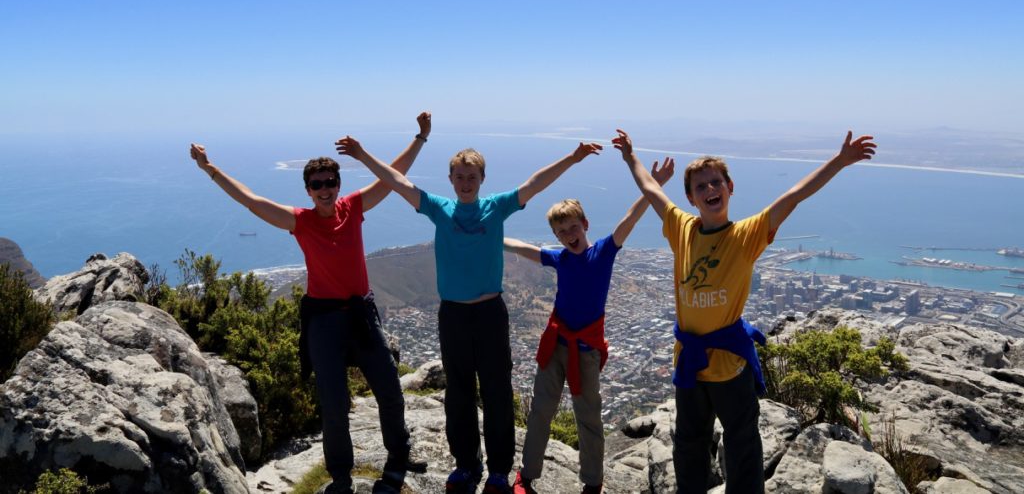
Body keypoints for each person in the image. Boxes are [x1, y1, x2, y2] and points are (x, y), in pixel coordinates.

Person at [335, 135, 603, 494]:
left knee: (496, 392)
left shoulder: (497, 207)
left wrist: (571, 158)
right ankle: (465, 465)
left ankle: (498, 471)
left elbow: (534, 184)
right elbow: (397, 182)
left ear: (481, 179)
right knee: (458, 392)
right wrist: (362, 154)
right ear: (450, 180)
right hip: (454, 316)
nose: (465, 183)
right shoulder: (439, 208)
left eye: (472, 176)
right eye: (459, 177)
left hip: (491, 313)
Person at [613, 129, 876, 494]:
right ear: (690, 198)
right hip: (688, 360)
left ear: (730, 187)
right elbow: (651, 190)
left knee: (741, 443)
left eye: (715, 182)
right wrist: (630, 157)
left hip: (728, 364)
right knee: (688, 441)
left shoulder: (745, 235)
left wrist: (840, 161)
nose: (709, 190)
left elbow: (794, 196)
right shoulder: (680, 228)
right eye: (701, 186)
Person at [189, 112, 433, 494]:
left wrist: (420, 138)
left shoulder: (353, 207)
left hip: (361, 314)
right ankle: (340, 478)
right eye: (317, 184)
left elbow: (392, 178)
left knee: (390, 390)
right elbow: (251, 201)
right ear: (307, 189)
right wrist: (209, 168)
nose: (325, 189)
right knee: (334, 405)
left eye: (330, 182)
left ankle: (397, 463)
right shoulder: (300, 221)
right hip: (323, 321)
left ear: (338, 184)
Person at [503, 156, 674, 494]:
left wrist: (655, 186)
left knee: (589, 419)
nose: (569, 235)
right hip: (556, 344)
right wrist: (496, 237)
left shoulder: (603, 253)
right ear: (556, 235)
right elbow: (526, 249)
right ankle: (527, 475)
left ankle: (593, 483)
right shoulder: (560, 258)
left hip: (586, 351)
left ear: (585, 224)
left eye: (573, 228)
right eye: (561, 231)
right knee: (541, 410)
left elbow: (629, 219)